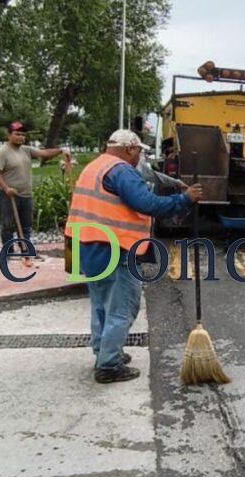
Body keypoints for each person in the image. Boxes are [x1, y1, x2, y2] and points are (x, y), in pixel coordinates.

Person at [65, 130, 203, 384]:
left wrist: (173, 184)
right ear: (129, 148)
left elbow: (147, 178)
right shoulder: (121, 170)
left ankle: (104, 351)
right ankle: (108, 366)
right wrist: (184, 199)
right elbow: (147, 203)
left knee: (100, 305)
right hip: (115, 248)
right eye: (139, 150)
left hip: (89, 246)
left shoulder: (96, 165)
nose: (139, 155)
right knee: (122, 308)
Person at [0, 121, 70, 256]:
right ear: (9, 135)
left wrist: (61, 150)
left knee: (26, 226)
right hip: (9, 195)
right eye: (17, 134)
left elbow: (44, 153)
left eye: (23, 135)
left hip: (26, 195)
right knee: (8, 226)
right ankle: (8, 252)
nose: (21, 137)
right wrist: (5, 188)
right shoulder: (2, 152)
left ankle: (25, 250)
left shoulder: (26, 150)